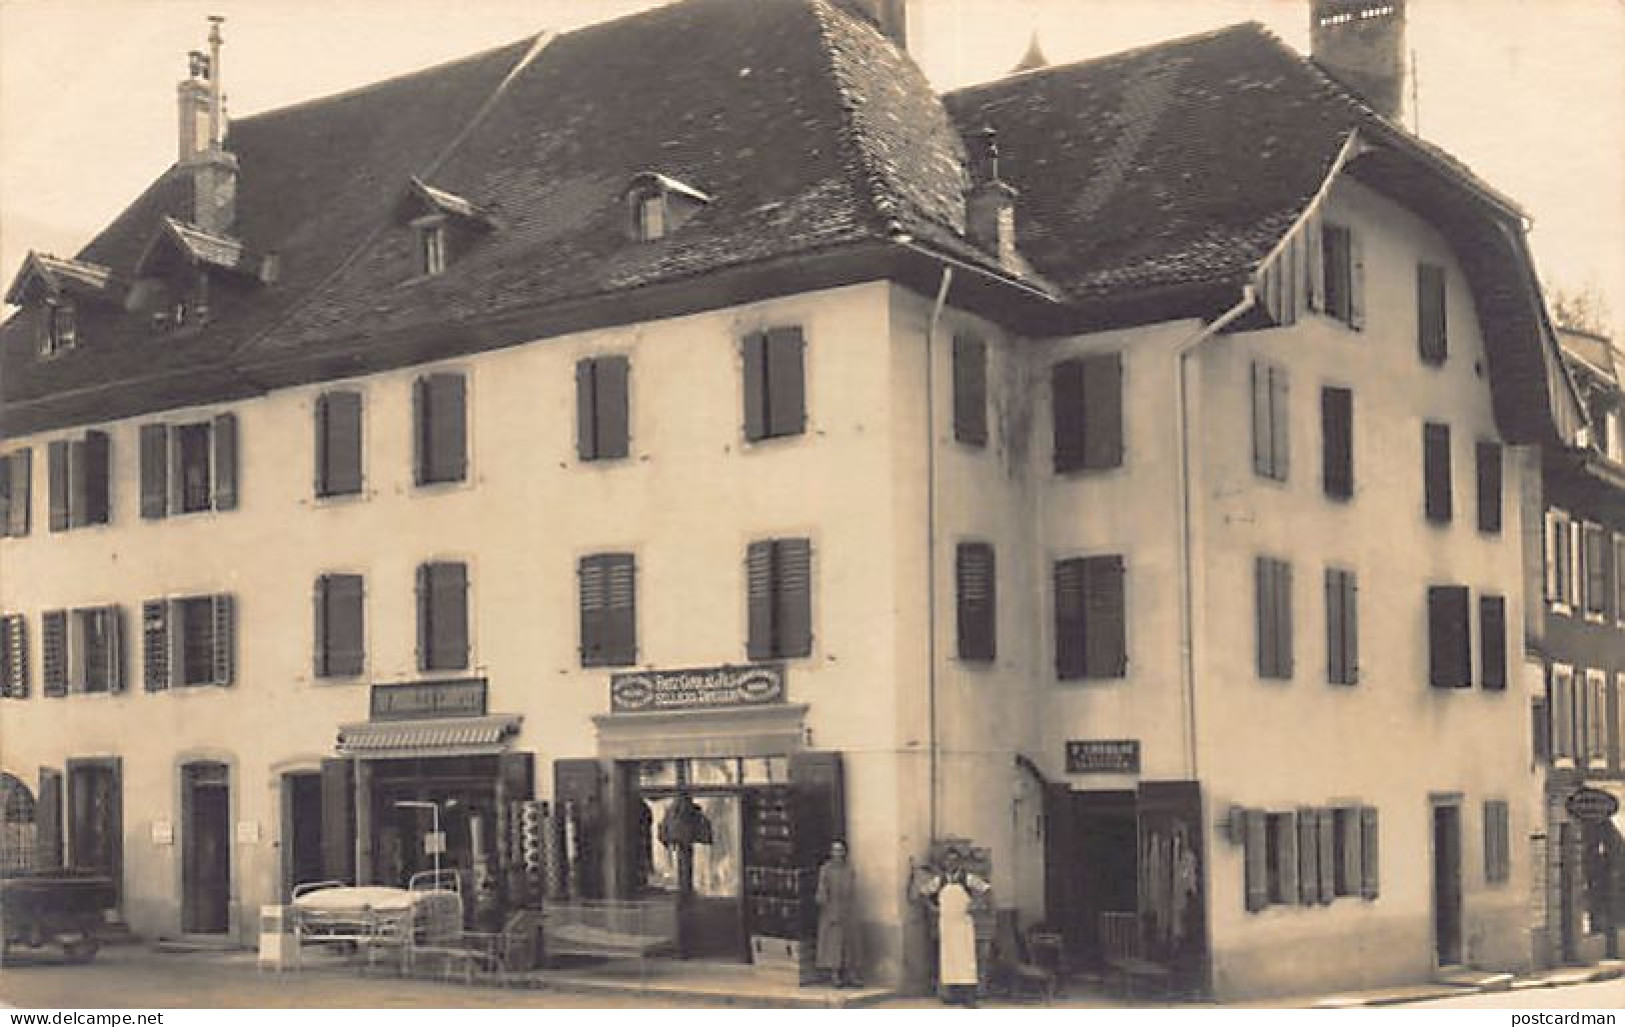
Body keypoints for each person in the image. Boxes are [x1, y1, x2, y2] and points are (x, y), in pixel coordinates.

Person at [933, 848, 990, 1007]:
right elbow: (923, 892)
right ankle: (951, 995)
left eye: (954, 860)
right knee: (949, 958)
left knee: (966, 959)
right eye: (948, 861)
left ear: (960, 862)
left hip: (963, 924)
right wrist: (933, 907)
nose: (951, 863)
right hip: (946, 924)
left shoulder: (968, 878)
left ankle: (969, 997)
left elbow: (986, 890)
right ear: (944, 863)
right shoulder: (940, 880)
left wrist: (977, 904)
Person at [815, 840, 863, 987]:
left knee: (850, 944)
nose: (838, 853)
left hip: (848, 911)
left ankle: (851, 975)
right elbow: (822, 890)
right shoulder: (826, 869)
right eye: (835, 850)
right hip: (832, 910)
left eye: (840, 850)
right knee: (833, 945)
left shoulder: (849, 869)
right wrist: (828, 908)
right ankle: (835, 975)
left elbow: (853, 890)